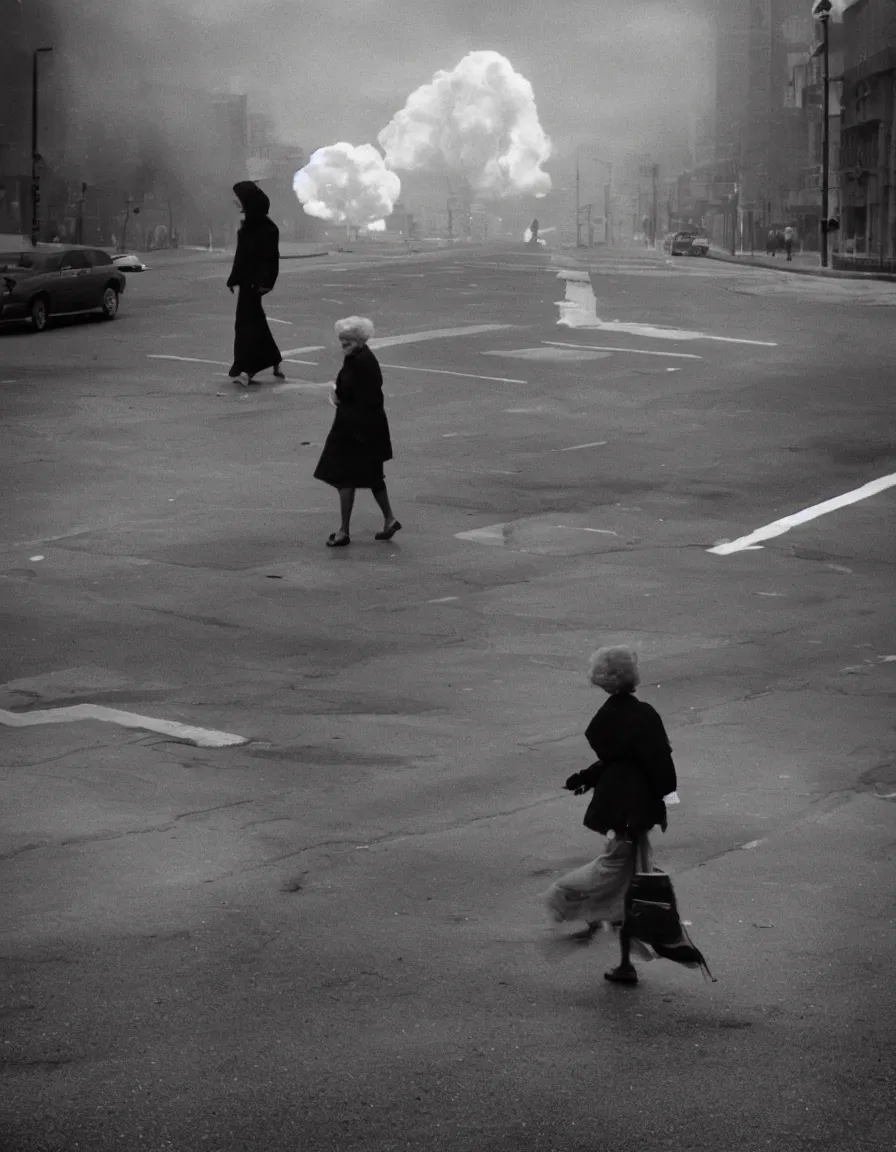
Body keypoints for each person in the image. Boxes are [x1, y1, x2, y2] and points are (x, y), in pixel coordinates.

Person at [544, 645, 677, 985]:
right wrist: (667, 794)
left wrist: (589, 777)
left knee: (616, 881)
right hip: (636, 815)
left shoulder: (607, 718)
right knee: (627, 886)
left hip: (621, 814)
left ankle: (591, 917)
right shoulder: (644, 716)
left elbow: (615, 762)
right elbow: (657, 760)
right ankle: (617, 952)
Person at [313, 316, 400, 548]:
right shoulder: (364, 357)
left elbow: (350, 392)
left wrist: (337, 396)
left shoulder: (358, 362)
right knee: (373, 477)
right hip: (371, 429)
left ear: (359, 339)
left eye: (348, 340)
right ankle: (389, 519)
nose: (344, 344)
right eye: (342, 340)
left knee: (344, 479)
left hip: (353, 430)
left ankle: (343, 531)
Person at [226, 180, 284, 385]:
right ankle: (273, 359)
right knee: (253, 322)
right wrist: (233, 279)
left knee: (247, 325)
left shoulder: (268, 229)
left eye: (240, 200)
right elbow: (240, 256)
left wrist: (267, 282)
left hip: (256, 284)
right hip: (246, 283)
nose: (237, 204)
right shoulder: (248, 227)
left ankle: (248, 368)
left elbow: (271, 259)